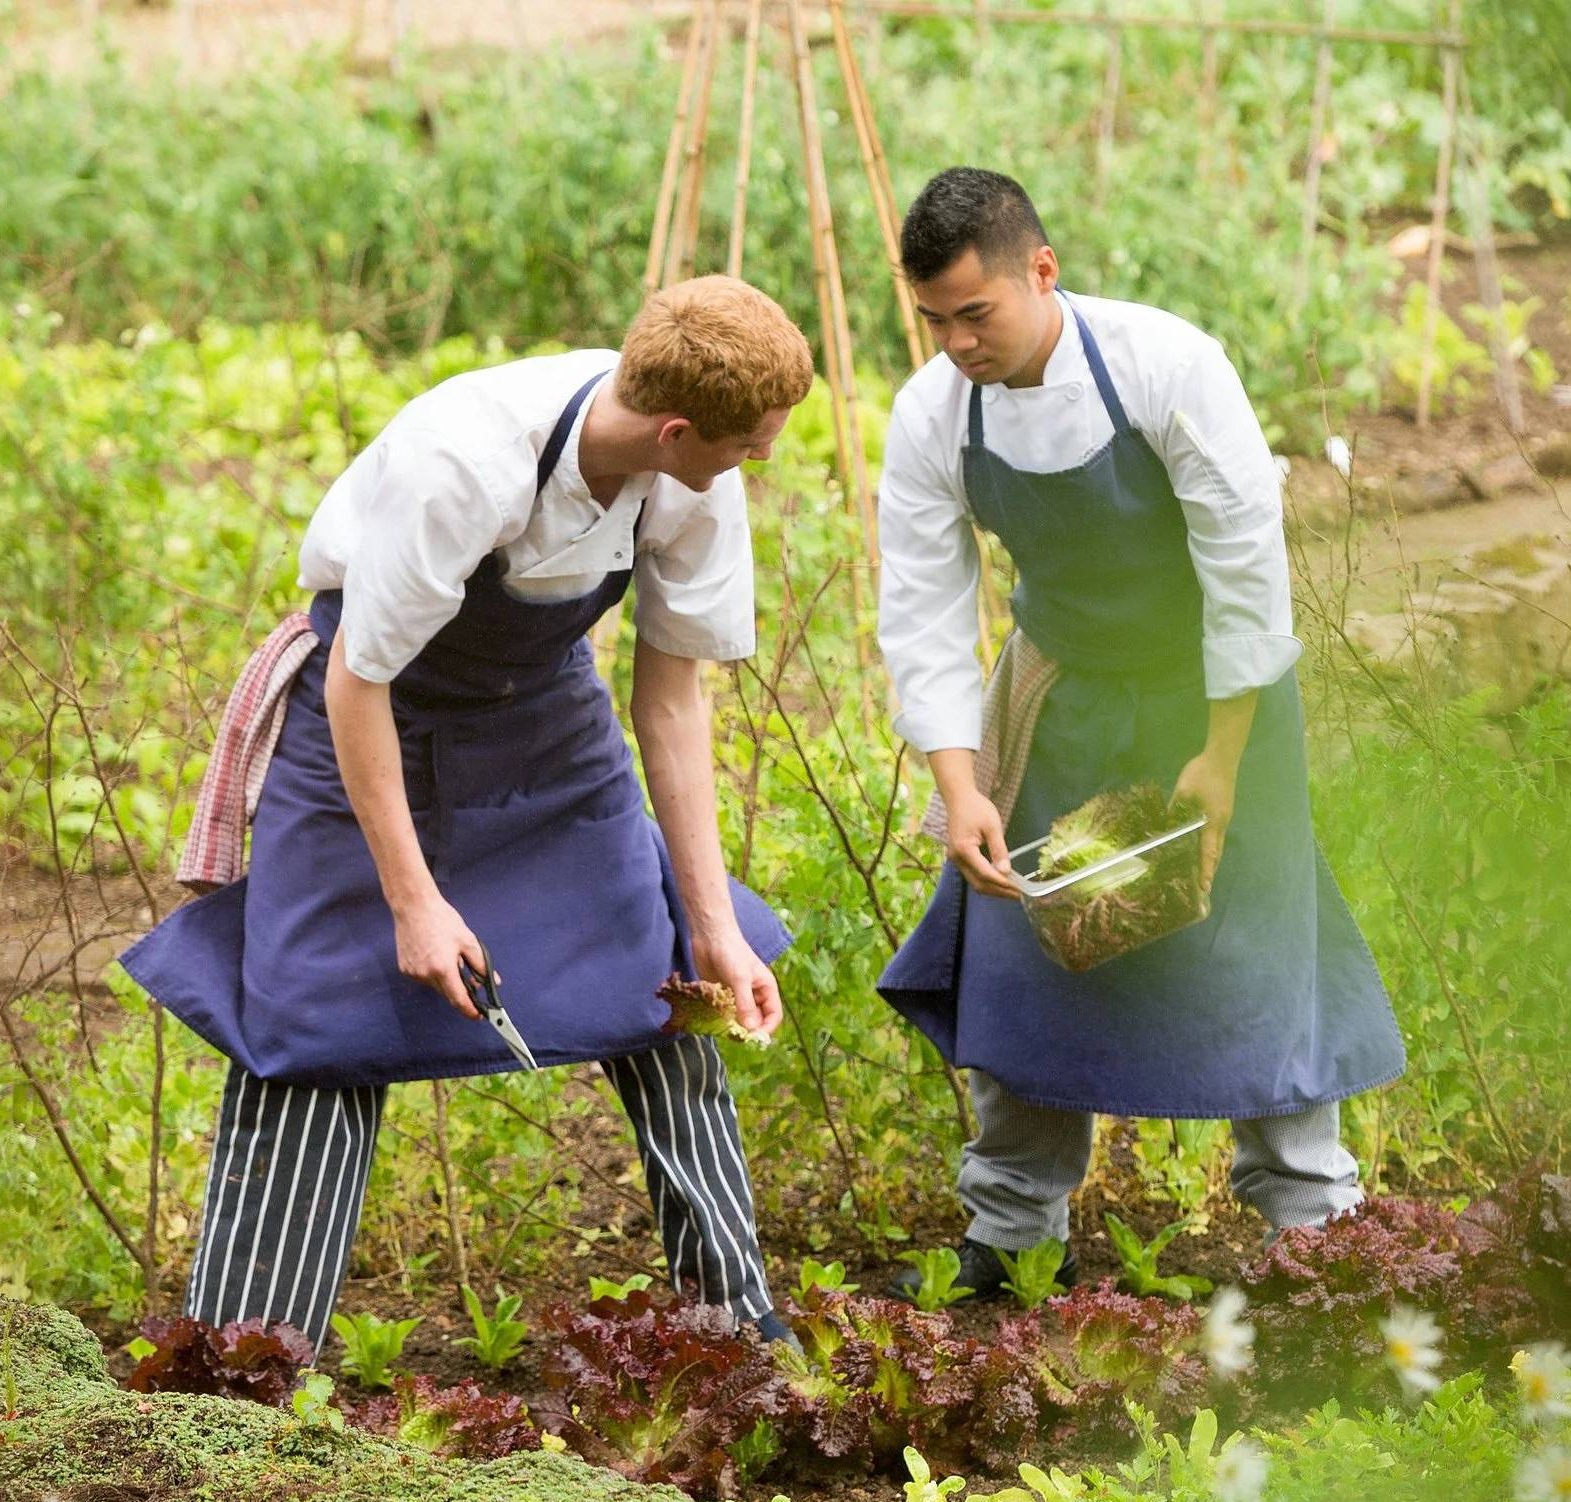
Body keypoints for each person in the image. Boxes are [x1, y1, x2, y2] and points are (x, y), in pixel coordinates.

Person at [121, 276, 816, 1349]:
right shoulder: (465, 461)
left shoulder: (687, 483)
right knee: (314, 1018)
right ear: (676, 429)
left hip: (542, 720)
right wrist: (412, 902)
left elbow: (669, 702)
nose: (753, 466)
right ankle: (239, 1369)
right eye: (748, 448)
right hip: (369, 719)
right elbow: (360, 680)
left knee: (666, 977)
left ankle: (738, 1329)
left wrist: (716, 924)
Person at [875, 169, 1404, 1299]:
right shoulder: (933, 414)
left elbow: (1244, 568)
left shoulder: (1167, 366)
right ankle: (1013, 1235)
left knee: (1256, 943)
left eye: (979, 313)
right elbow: (921, 604)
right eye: (936, 320)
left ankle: (1315, 1239)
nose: (958, 342)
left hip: (1212, 694)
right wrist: (958, 782)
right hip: (1059, 693)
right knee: (1027, 951)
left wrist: (1219, 761)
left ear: (1042, 271)